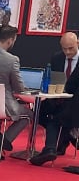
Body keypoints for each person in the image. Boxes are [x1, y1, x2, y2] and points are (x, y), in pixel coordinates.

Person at [31, 32, 79, 165]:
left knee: (57, 116)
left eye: (71, 48)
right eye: (64, 48)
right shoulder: (57, 58)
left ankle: (50, 149)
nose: (67, 52)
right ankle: (65, 136)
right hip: (59, 98)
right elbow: (55, 80)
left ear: (77, 44)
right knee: (40, 112)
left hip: (76, 102)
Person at [0, 25, 33, 160]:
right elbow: (19, 88)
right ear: (10, 40)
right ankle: (0, 141)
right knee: (29, 114)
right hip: (2, 105)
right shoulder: (12, 60)